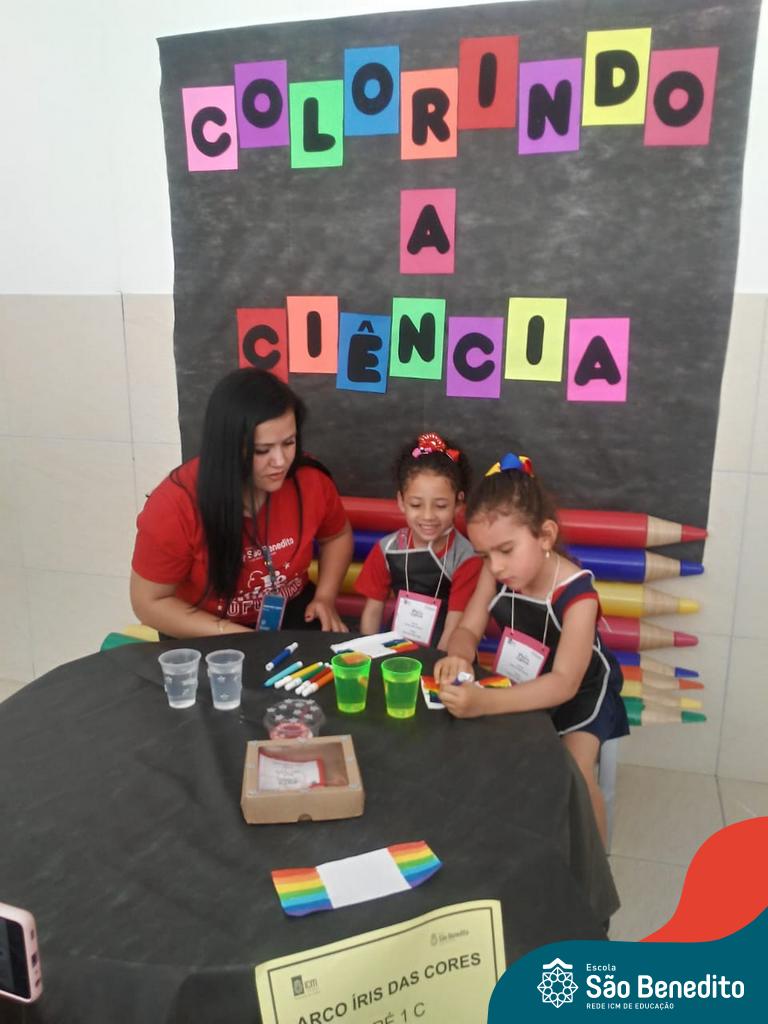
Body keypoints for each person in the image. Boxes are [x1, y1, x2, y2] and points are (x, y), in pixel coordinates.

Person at [433, 453, 629, 845]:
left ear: (545, 536)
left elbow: (564, 683)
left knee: (573, 771)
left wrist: (485, 703)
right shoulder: (495, 573)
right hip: (525, 679)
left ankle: (593, 863)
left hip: (583, 692)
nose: (495, 566)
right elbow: (468, 628)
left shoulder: (578, 594)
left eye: (506, 550)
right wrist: (458, 655)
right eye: (485, 554)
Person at [130, 368, 353, 637]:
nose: (281, 461)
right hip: (202, 627)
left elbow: (336, 536)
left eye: (289, 443)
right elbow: (148, 602)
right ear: (227, 447)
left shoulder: (310, 480)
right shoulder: (174, 504)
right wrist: (241, 638)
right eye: (262, 450)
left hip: (291, 612)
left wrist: (325, 597)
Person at [354, 432, 482, 650]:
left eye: (440, 506)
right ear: (401, 501)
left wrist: (437, 664)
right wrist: (367, 653)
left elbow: (455, 626)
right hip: (396, 649)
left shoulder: (465, 558)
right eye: (416, 504)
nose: (428, 516)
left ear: (459, 503)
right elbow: (372, 611)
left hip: (445, 652)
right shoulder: (387, 549)